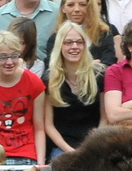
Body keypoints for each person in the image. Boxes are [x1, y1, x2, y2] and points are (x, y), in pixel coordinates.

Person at [0, 29, 46, 164]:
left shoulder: (34, 83)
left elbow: (39, 128)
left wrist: (40, 163)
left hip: (25, 152)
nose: (9, 62)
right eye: (3, 57)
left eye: (14, 56)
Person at [43, 20, 104, 157]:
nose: (74, 46)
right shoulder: (49, 79)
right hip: (63, 148)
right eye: (68, 42)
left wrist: (92, 146)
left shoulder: (99, 75)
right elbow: (48, 125)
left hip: (94, 145)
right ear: (60, 46)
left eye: (79, 42)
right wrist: (70, 151)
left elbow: (105, 119)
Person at [45, 0, 118, 67]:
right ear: (63, 8)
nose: (77, 9)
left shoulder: (103, 34)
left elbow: (109, 64)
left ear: (90, 7)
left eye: (82, 4)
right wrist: (89, 66)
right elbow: (50, 68)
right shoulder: (55, 38)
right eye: (71, 5)